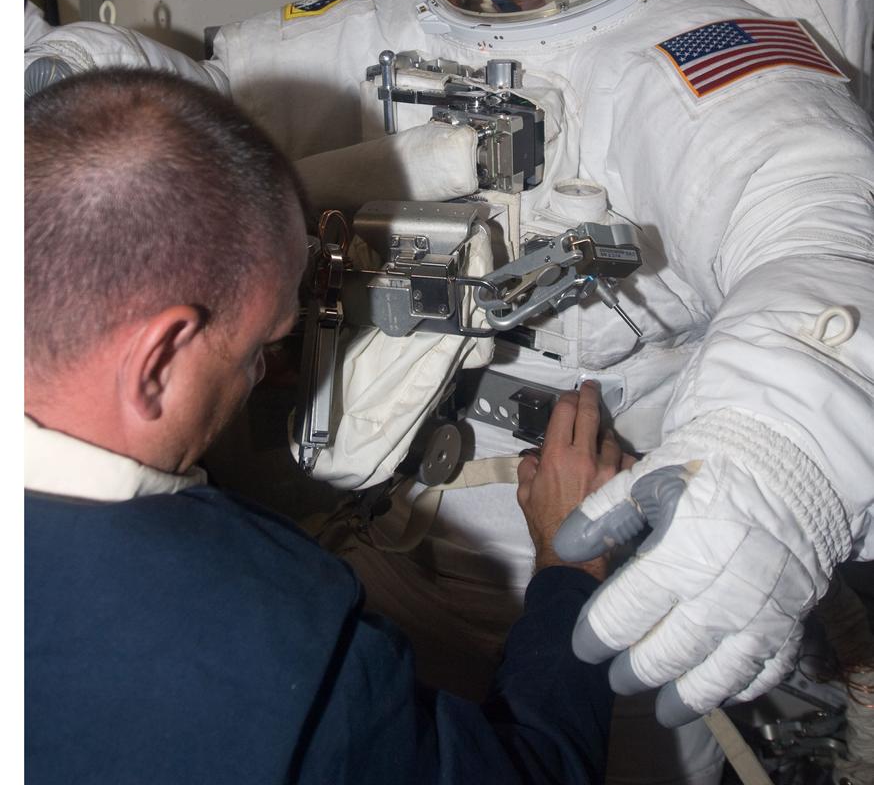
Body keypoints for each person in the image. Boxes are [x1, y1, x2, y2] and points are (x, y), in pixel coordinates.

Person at [24, 0, 874, 783]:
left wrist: (779, 458)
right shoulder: (378, 26)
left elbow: (827, 232)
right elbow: (197, 103)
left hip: (586, 575)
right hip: (361, 558)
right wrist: (65, 80)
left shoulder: (686, 55)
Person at [25, 67, 631, 785]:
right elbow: (536, 773)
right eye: (261, 350)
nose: (265, 376)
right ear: (157, 361)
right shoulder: (275, 651)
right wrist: (571, 571)